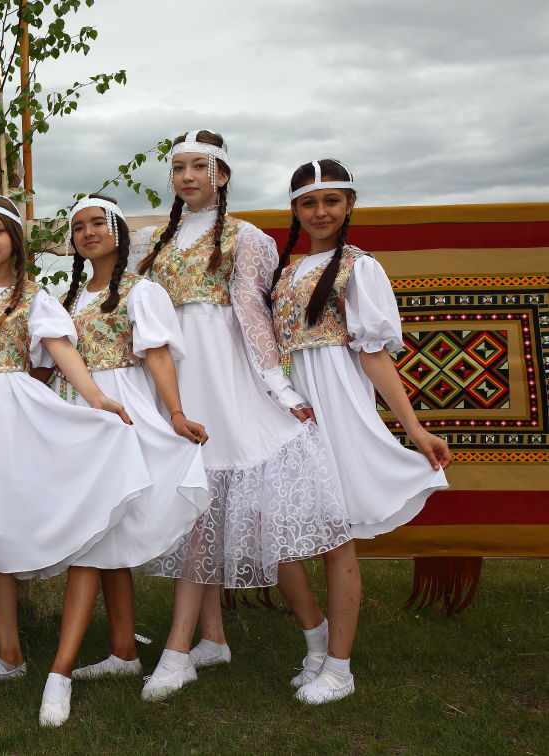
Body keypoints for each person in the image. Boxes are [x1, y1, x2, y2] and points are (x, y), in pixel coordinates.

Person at [0, 194, 151, 711]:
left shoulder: (34, 297)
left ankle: (10, 654)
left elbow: (61, 349)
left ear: (15, 240)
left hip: (6, 417)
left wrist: (96, 398)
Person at [132, 130, 349, 701]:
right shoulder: (153, 241)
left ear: (222, 174)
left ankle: (314, 638)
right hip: (176, 378)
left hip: (227, 377)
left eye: (198, 167)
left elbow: (253, 314)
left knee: (257, 517)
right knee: (195, 511)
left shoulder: (246, 237)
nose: (186, 177)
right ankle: (208, 641)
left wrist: (278, 388)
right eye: (178, 168)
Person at [270, 158, 451, 703]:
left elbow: (373, 355)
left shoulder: (359, 267)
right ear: (295, 210)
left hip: (337, 402)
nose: (320, 212)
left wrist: (413, 429)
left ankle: (339, 667)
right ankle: (316, 642)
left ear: (350, 204)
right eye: (308, 202)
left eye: (331, 200)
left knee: (335, 537)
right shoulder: (285, 272)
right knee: (279, 534)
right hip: (289, 404)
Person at [37, 194, 211, 727]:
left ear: (118, 231)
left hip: (121, 412)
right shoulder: (66, 299)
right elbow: (47, 364)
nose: (88, 233)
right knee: (101, 532)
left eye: (98, 223)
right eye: (78, 227)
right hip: (79, 414)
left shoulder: (141, 291)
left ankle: (59, 672)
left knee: (92, 536)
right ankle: (123, 651)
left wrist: (176, 413)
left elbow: (156, 353)